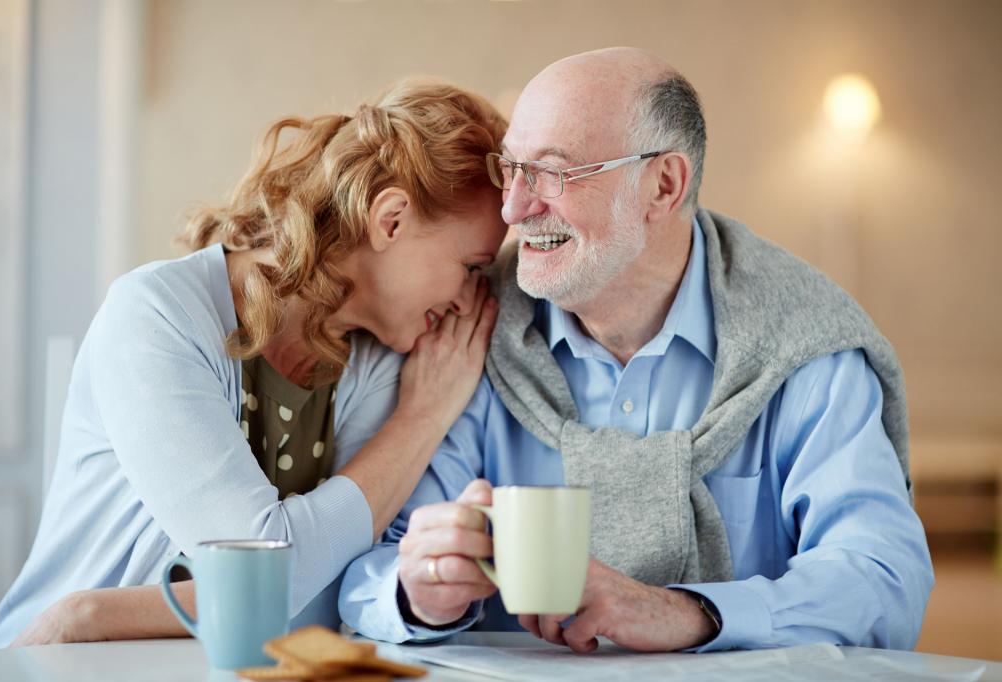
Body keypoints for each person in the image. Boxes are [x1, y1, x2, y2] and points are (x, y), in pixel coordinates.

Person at [339, 48, 934, 653]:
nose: (513, 210)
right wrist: (419, 592)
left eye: (553, 173)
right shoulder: (470, 323)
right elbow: (368, 575)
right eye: (510, 170)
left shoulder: (806, 342)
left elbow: (884, 583)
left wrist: (687, 613)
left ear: (662, 184)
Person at [0, 80, 509, 648]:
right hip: (67, 662)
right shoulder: (156, 316)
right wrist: (422, 419)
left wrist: (97, 612)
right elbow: (271, 580)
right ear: (390, 220)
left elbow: (324, 591)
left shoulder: (380, 357)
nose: (469, 300)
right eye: (471, 266)